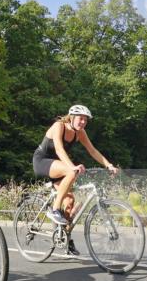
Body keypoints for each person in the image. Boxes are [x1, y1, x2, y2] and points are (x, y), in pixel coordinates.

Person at [32, 104, 118, 255]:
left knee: (70, 202)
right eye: (80, 119)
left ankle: (65, 239)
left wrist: (108, 165)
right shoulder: (59, 126)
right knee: (71, 173)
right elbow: (59, 149)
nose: (83, 122)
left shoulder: (80, 132)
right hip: (42, 161)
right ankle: (54, 209)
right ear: (71, 117)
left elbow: (92, 150)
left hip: (59, 165)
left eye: (85, 120)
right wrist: (71, 167)